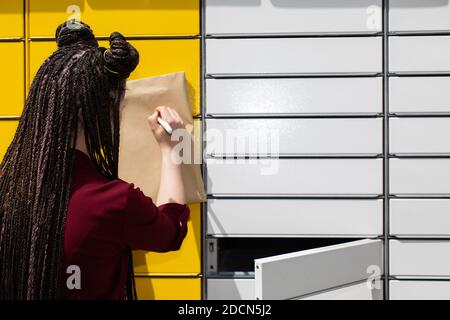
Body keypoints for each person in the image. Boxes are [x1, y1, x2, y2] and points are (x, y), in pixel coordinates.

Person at [0, 20, 190, 300]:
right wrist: (172, 149)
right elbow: (170, 232)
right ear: (103, 112)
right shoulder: (113, 201)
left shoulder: (6, 192)